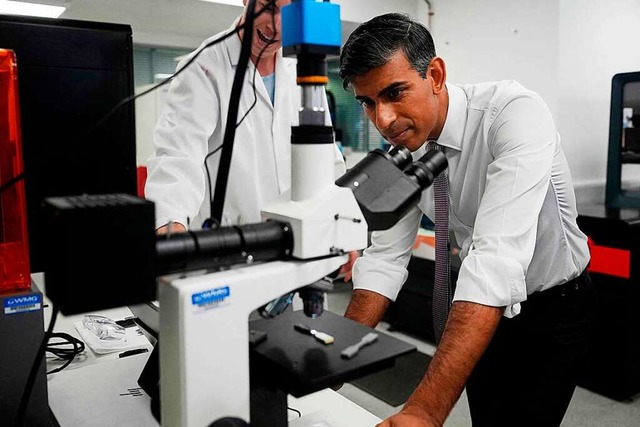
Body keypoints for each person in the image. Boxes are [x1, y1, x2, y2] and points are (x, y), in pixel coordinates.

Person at [339, 13, 595, 427]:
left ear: (435, 74)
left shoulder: (514, 113)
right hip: (473, 309)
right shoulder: (400, 148)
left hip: (552, 306)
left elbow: (495, 258)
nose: (382, 120)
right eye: (368, 102)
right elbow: (384, 257)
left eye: (394, 92)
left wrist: (424, 410)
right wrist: (333, 360)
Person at [144, 0, 349, 246]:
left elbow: (326, 156)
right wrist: (171, 224)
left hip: (297, 242)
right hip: (226, 245)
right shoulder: (204, 66)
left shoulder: (303, 67)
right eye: (268, 7)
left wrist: (343, 221)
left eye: (288, 13)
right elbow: (178, 155)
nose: (276, 26)